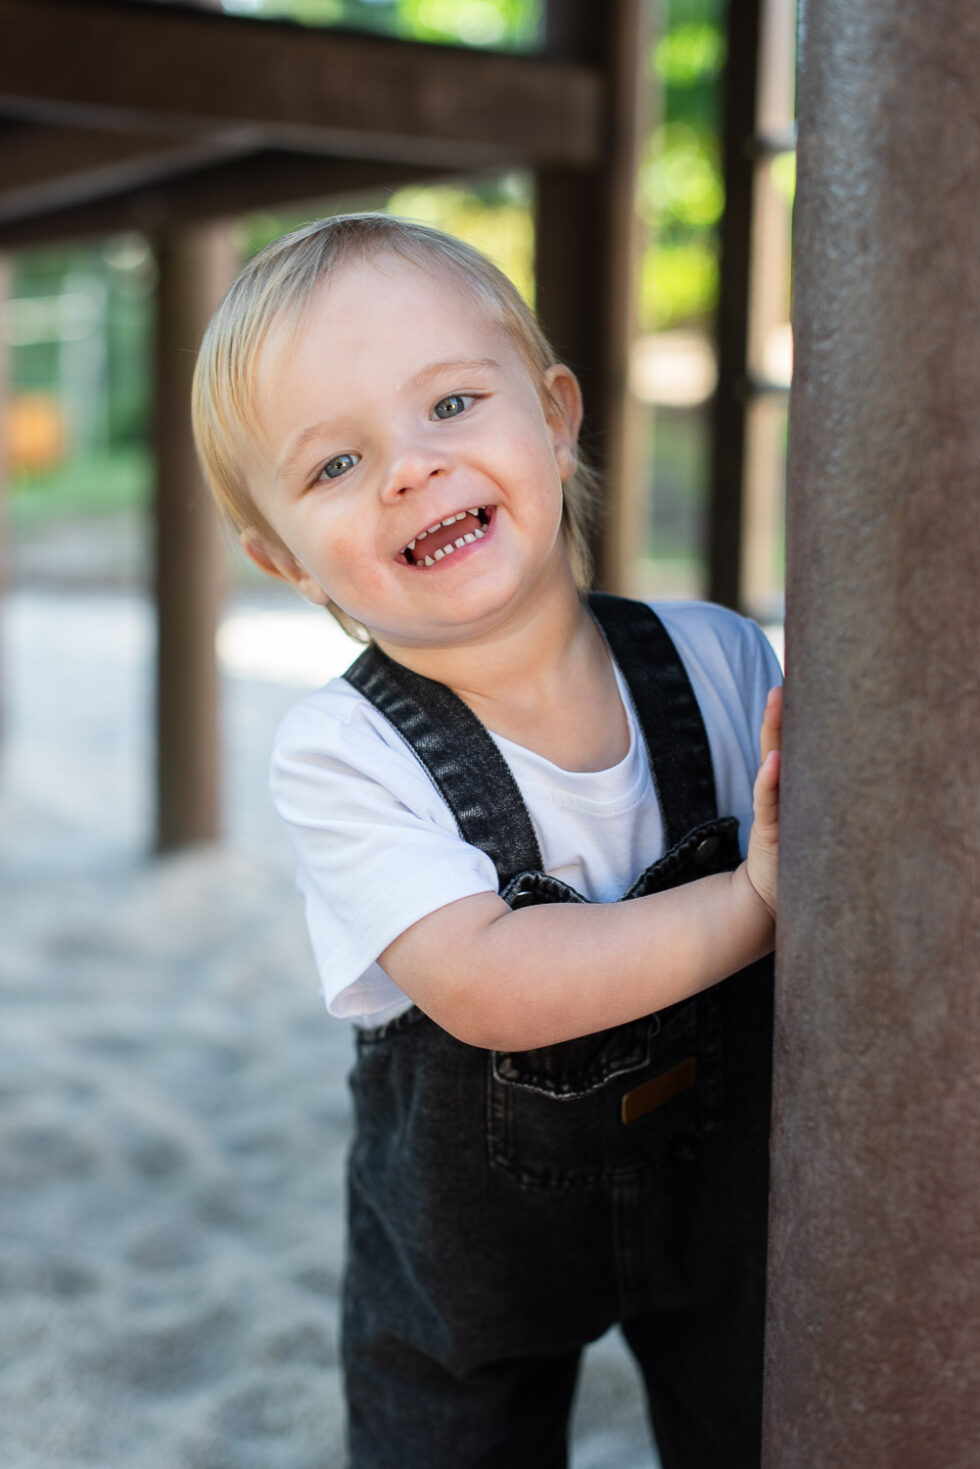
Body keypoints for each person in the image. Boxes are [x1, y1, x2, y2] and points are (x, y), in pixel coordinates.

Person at [191, 213, 782, 1469]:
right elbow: (489, 982)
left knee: (777, 1416)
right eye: (333, 466)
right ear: (282, 559)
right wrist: (754, 902)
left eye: (450, 403)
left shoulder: (719, 663)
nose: (406, 468)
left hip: (729, 1200)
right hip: (472, 1257)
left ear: (557, 417)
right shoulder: (344, 753)